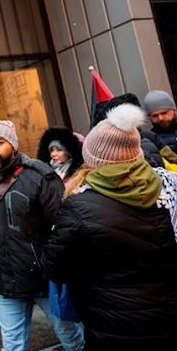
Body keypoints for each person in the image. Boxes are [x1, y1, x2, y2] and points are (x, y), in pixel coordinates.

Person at [44, 104, 177, 350]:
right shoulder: (169, 186)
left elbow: (56, 266)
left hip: (112, 323)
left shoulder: (78, 205)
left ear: (93, 158)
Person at [0, 120, 84, 351]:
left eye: (0, 141)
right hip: (5, 283)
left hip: (45, 281)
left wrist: (59, 268)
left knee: (72, 339)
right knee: (12, 347)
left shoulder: (39, 175)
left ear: (13, 144)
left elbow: (63, 225)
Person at [95, 92, 177, 168]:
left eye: (164, 113)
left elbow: (172, 160)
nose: (160, 118)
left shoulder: (151, 137)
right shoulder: (112, 147)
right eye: (155, 115)